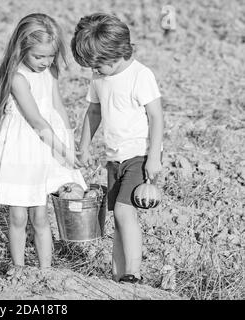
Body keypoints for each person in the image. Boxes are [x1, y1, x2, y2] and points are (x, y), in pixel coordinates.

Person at [0, 13, 87, 269]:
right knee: (18, 216)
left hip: (45, 148)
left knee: (41, 216)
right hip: (22, 151)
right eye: (39, 56)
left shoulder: (50, 72)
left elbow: (57, 108)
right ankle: (18, 268)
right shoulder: (17, 78)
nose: (45, 62)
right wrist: (64, 151)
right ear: (22, 48)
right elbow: (37, 122)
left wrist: (68, 141)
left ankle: (45, 271)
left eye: (50, 55)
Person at [71, 13, 164, 283]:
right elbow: (93, 112)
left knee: (125, 211)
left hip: (138, 157)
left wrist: (154, 157)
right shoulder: (99, 77)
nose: (94, 70)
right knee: (118, 218)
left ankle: (133, 271)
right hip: (114, 158)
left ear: (117, 53)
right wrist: (83, 147)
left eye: (98, 64)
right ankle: (118, 275)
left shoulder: (140, 75)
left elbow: (156, 116)